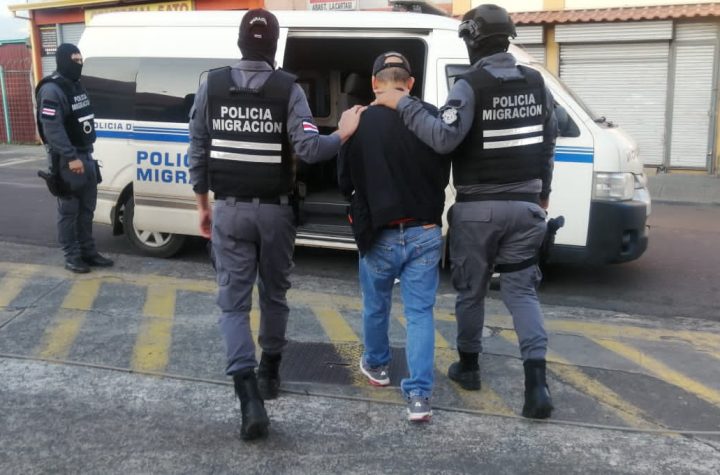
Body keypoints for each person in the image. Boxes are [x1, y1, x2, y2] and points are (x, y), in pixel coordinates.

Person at [372, 4, 557, 419]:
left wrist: (403, 104)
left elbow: (443, 138)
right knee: (522, 293)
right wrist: (543, 193)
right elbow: (549, 141)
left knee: (471, 292)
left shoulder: (469, 86)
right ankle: (537, 386)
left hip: (478, 213)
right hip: (527, 208)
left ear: (473, 41)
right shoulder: (537, 83)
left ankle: (469, 368)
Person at [188, 8, 364, 440]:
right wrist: (343, 132)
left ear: (240, 42)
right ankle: (269, 371)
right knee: (273, 294)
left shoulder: (211, 85)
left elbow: (198, 147)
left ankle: (248, 397)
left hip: (228, 209)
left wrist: (203, 205)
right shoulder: (289, 89)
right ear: (274, 46)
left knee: (233, 305)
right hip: (276, 212)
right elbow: (310, 148)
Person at [338, 52, 449, 422]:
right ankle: (419, 397)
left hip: (379, 233)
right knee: (419, 314)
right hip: (426, 232)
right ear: (410, 84)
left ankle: (377, 366)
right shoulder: (432, 118)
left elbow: (344, 183)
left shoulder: (358, 121)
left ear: (374, 83)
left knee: (376, 305)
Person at [35, 43, 114, 274]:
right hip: (67, 160)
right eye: (74, 60)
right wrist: (70, 157)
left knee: (87, 209)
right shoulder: (52, 90)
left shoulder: (76, 85)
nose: (78, 64)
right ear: (63, 60)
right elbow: (52, 129)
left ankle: (88, 252)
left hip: (86, 154)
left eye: (80, 60)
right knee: (69, 211)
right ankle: (72, 256)